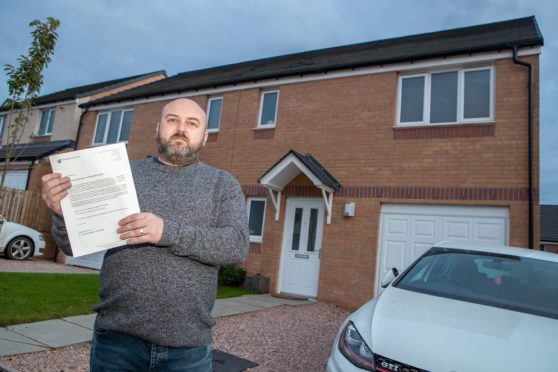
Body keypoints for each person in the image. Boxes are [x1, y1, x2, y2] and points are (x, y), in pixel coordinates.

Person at [41, 98, 249, 371]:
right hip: (116, 340)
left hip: (187, 347)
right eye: (172, 120)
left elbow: (236, 246)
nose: (181, 128)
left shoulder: (223, 185)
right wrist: (61, 212)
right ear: (157, 128)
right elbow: (70, 244)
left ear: (205, 136)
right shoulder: (121, 175)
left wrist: (166, 231)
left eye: (192, 123)